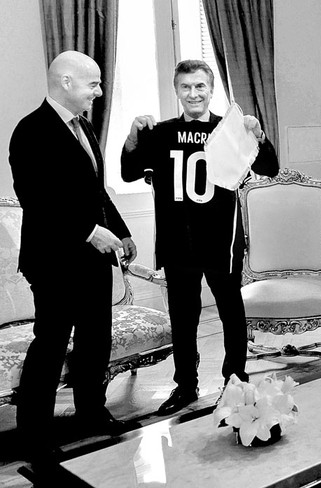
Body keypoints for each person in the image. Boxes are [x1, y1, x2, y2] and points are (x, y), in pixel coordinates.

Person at [121, 60, 279, 416]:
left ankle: (235, 382)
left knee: (231, 313)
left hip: (221, 242)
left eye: (200, 87)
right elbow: (129, 172)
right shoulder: (160, 132)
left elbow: (269, 168)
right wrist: (132, 136)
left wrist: (259, 136)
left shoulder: (230, 130)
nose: (193, 94)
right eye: (186, 87)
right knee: (184, 317)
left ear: (211, 90)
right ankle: (185, 386)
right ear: (177, 91)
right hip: (178, 242)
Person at [8, 51, 136, 463]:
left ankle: (91, 414)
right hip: (53, 262)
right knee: (51, 344)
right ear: (66, 82)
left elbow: (95, 192)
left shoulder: (83, 129)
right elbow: (38, 200)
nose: (99, 92)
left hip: (93, 261)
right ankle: (33, 432)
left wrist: (122, 231)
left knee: (95, 342)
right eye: (93, 84)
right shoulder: (30, 131)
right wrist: (86, 231)